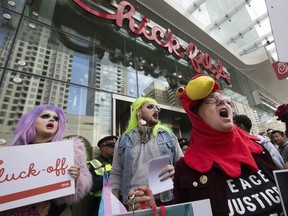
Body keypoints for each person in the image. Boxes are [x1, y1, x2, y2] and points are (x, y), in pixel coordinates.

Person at [128, 75, 283, 216]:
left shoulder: (260, 148)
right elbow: (183, 211)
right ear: (197, 116)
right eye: (211, 100)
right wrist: (155, 206)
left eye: (222, 97)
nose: (222, 101)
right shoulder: (186, 168)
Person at [1, 104, 93, 216]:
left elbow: (76, 192)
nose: (51, 119)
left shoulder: (70, 151)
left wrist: (75, 179)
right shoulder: (12, 154)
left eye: (56, 119)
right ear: (31, 121)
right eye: (45, 116)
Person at [109, 97, 183, 206]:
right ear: (138, 112)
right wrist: (113, 203)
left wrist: (176, 171)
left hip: (166, 200)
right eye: (150, 107)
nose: (156, 110)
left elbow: (183, 166)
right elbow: (116, 172)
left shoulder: (169, 136)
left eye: (157, 107)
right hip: (136, 202)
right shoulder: (123, 141)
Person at [87, 135, 118, 216]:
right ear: (102, 147)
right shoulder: (92, 164)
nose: (115, 149)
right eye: (112, 146)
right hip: (99, 205)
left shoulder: (118, 164)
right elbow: (92, 186)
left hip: (117, 203)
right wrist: (113, 174)